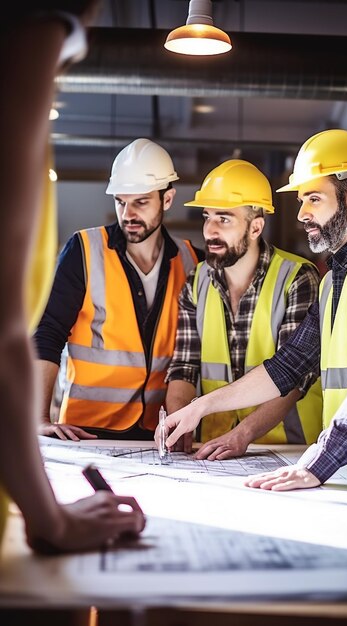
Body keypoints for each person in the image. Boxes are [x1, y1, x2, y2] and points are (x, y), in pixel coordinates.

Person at [157, 129, 347, 488]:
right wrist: (199, 408)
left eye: (313, 199)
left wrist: (319, 460)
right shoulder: (333, 280)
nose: (301, 215)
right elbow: (288, 367)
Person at [0, 3, 145, 555]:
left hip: (138, 439)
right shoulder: (31, 39)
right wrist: (51, 518)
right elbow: (15, 336)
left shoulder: (186, 260)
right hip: (81, 432)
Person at [34, 137, 203, 442]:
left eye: (140, 202)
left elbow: (191, 355)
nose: (127, 214)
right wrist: (38, 418)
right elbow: (48, 333)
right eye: (121, 201)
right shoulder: (83, 250)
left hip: (159, 432)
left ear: (167, 199)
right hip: (85, 431)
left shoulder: (193, 261)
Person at [165, 159, 322, 458]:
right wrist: (178, 420)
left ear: (255, 227)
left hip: (291, 449)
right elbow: (183, 368)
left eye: (223, 219)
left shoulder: (298, 277)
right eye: (207, 216)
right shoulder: (196, 282)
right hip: (214, 450)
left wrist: (243, 434)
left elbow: (296, 377)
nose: (209, 230)